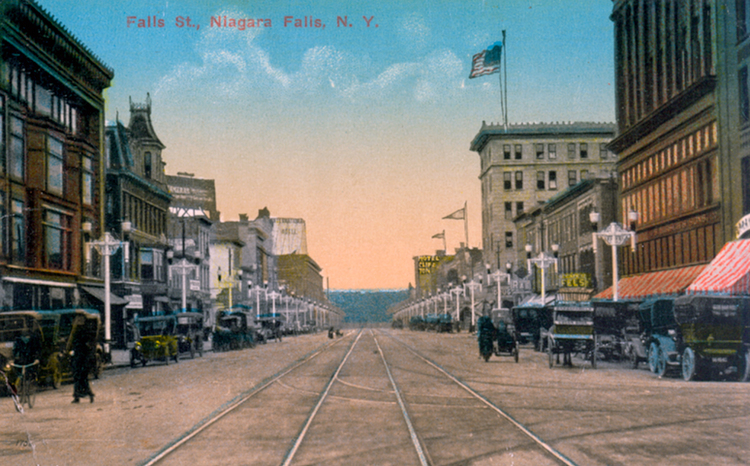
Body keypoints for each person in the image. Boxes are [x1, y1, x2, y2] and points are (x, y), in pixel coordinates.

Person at [68, 316, 95, 403]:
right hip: (79, 357)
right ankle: (80, 395)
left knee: (80, 377)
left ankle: (84, 395)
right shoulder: (77, 331)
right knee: (80, 377)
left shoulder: (81, 331)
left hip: (81, 357)